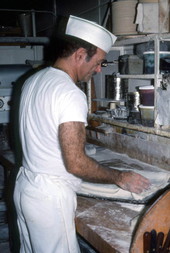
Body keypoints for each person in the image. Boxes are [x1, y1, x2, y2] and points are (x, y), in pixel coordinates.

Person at [14, 15, 150, 253]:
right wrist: (119, 177)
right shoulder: (69, 93)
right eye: (98, 62)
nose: (98, 70)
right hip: (50, 198)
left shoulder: (34, 80)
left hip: (26, 186)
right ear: (79, 55)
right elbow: (76, 163)